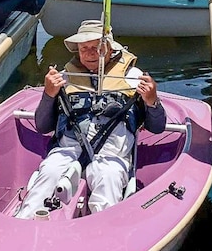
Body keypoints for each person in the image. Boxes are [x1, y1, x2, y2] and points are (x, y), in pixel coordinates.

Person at [14, 20, 165, 218]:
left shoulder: (134, 78)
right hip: (67, 151)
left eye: (97, 47)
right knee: (49, 172)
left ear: (110, 48)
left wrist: (151, 101)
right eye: (84, 48)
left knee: (108, 178)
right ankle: (27, 225)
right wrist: (49, 95)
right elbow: (42, 126)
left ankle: (104, 233)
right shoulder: (63, 79)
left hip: (112, 155)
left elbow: (157, 127)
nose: (90, 52)